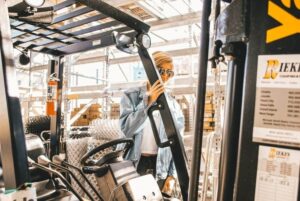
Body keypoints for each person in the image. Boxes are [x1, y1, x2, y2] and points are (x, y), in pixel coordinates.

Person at [119, 51, 185, 193]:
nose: (165, 76)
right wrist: (148, 101)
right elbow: (127, 129)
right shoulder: (132, 96)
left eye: (170, 73)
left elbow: (178, 143)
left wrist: (172, 174)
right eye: (161, 71)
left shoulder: (173, 106)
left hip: (160, 166)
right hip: (134, 164)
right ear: (151, 70)